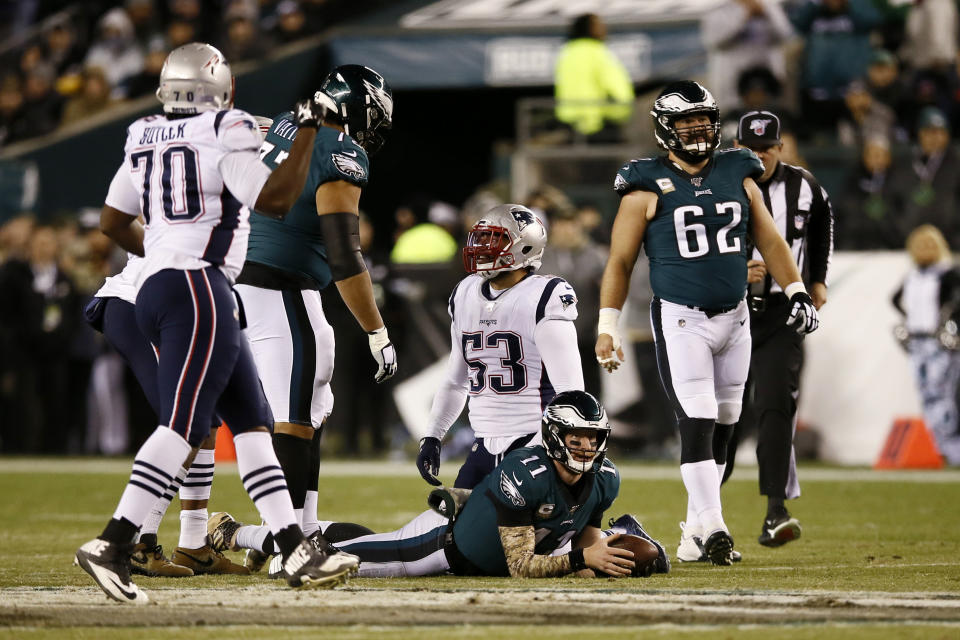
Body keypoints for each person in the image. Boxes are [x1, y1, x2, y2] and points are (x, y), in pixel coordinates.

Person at [74, 42, 356, 604]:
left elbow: (112, 218)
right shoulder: (227, 129)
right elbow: (275, 198)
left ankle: (294, 545)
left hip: (166, 284)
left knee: (252, 422)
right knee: (184, 425)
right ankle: (113, 541)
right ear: (222, 88)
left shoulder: (142, 133)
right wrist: (304, 133)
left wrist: (158, 255)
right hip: (198, 284)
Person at [594, 81, 820, 566]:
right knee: (695, 420)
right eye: (686, 122)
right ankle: (716, 527)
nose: (697, 130)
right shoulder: (644, 182)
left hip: (736, 316)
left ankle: (695, 531)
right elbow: (619, 261)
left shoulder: (739, 168)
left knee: (724, 423)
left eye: (703, 120)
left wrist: (797, 290)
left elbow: (771, 241)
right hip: (681, 318)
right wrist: (607, 324)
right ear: (663, 128)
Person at [214, 391, 668, 579]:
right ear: (554, 437)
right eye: (577, 438)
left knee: (356, 538)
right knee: (325, 562)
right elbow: (520, 564)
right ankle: (240, 534)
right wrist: (582, 559)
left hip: (475, 548)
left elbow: (582, 528)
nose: (587, 448)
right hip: (438, 549)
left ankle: (234, 531)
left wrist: (604, 551)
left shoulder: (606, 479)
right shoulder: (524, 471)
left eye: (594, 438)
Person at [229, 64, 398, 571]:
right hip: (278, 288)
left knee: (312, 407)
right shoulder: (341, 151)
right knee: (295, 420)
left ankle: (300, 531)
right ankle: (289, 549)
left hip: (242, 281)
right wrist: (376, 329)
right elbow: (345, 254)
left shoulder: (284, 122)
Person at [414, 203, 584, 490]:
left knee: (527, 533)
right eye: (480, 238)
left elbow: (572, 394)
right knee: (457, 533)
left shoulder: (543, 296)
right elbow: (456, 382)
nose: (482, 246)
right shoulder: (465, 293)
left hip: (533, 441)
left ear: (526, 246)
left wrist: (551, 449)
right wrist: (432, 435)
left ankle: (613, 533)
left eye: (496, 238)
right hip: (483, 444)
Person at [726, 110, 834, 548]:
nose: (760, 155)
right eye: (750, 149)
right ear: (737, 149)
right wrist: (735, 270)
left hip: (781, 315)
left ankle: (776, 511)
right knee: (722, 416)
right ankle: (704, 513)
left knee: (775, 407)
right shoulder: (719, 184)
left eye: (767, 147)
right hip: (727, 314)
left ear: (780, 148)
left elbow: (822, 227)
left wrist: (818, 280)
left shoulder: (805, 186)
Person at [892, 225, 960, 465]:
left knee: (944, 394)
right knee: (926, 392)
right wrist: (909, 321)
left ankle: (952, 448)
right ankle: (938, 446)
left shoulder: (948, 274)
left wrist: (950, 326)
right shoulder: (913, 276)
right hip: (918, 341)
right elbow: (895, 299)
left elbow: (955, 304)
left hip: (939, 342)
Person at [554, 13, 634, 141]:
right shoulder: (597, 52)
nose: (604, 29)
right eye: (599, 25)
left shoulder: (567, 52)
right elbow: (616, 86)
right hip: (599, 122)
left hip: (572, 123)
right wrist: (623, 109)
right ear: (590, 28)